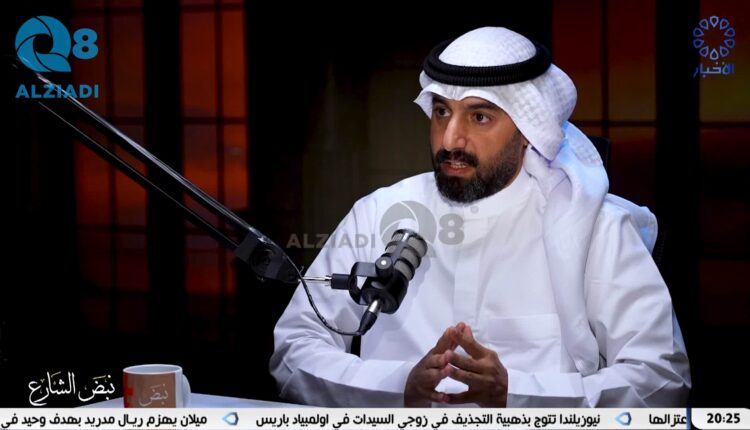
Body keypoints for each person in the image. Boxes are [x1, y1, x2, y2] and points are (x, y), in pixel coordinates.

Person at [270, 27, 690, 407]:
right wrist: (397, 387)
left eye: (480, 117)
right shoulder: (379, 212)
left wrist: (518, 395)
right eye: (441, 112)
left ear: (527, 130)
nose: (451, 139)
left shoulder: (595, 228)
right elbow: (295, 346)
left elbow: (661, 377)